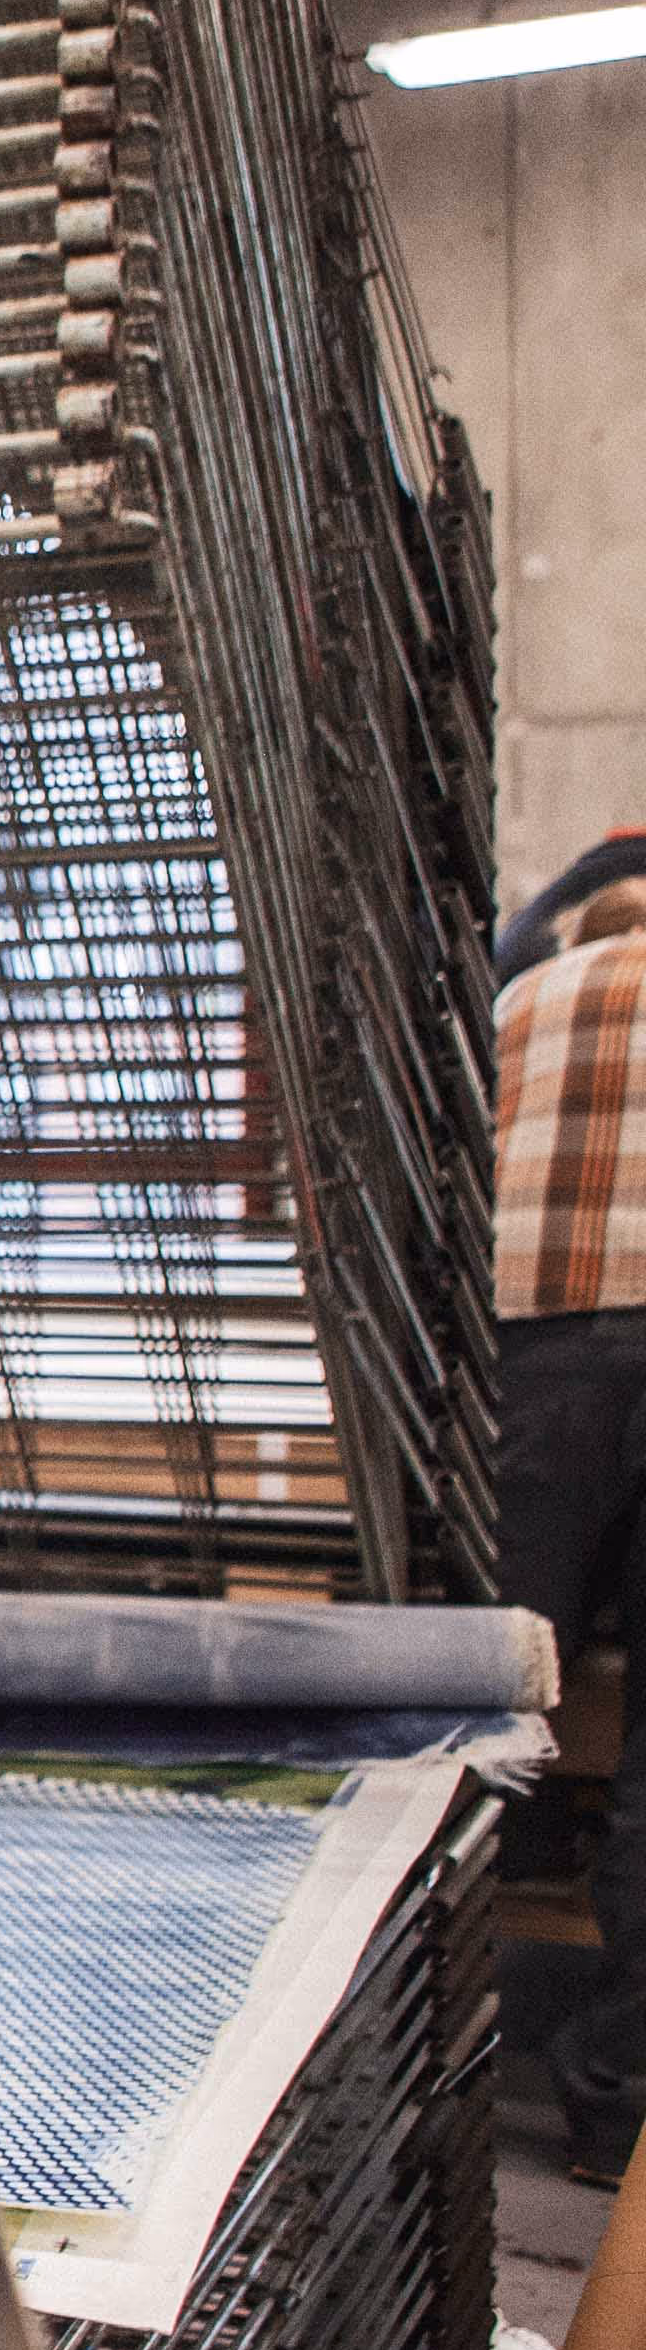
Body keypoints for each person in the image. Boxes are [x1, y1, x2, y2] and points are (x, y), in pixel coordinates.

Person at [500, 870, 646, 2181]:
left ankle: (437, 2032)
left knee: (483, 1690)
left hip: (538, 1359)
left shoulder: (525, 994)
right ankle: (619, 2107)